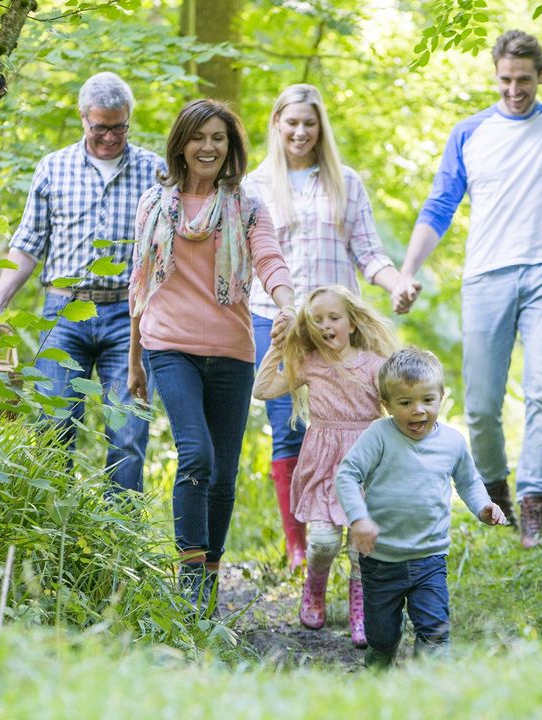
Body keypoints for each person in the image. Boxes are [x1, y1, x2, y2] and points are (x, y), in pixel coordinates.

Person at [391, 30, 542, 547]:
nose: (515, 90)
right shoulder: (470, 133)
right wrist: (408, 269)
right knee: (480, 403)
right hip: (487, 275)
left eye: (524, 79)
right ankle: (496, 495)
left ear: (537, 76)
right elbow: (439, 206)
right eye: (506, 80)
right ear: (494, 76)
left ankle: (535, 505)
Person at [126, 99, 296, 613]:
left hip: (231, 350)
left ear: (231, 147)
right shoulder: (154, 205)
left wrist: (288, 303)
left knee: (223, 471)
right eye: (199, 137)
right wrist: (135, 360)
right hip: (168, 344)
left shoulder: (246, 208)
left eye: (218, 138)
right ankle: (191, 576)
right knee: (195, 454)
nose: (208, 147)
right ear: (181, 144)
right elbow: (139, 283)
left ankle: (212, 572)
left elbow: (268, 258)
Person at [0, 72, 164, 494]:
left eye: (119, 127)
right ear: (83, 118)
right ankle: (53, 527)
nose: (111, 137)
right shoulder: (53, 168)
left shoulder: (155, 171)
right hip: (63, 313)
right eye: (101, 127)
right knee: (53, 422)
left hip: (129, 317)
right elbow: (26, 246)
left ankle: (118, 537)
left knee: (128, 430)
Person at [246, 84, 406, 573]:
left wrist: (395, 280)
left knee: (353, 425)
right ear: (277, 123)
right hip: (276, 318)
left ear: (320, 128)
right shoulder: (254, 186)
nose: (300, 131)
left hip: (338, 320)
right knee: (288, 429)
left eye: (309, 123)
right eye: (291, 122)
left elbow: (369, 250)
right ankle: (301, 545)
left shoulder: (346, 181)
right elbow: (243, 261)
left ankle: (357, 529)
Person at [335, 347, 507, 668]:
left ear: (441, 396)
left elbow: (468, 482)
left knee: (435, 630)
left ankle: (430, 682)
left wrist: (483, 507)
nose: (418, 411)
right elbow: (347, 474)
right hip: (381, 559)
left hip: (430, 557)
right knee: (382, 636)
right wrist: (358, 518)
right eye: (405, 403)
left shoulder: (452, 442)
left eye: (428, 400)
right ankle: (378, 670)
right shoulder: (379, 436)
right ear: (387, 405)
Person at [253, 285, 399, 648]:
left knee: (360, 549)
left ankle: (360, 612)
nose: (326, 325)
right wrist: (276, 345)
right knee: (321, 542)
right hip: (322, 464)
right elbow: (263, 389)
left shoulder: (374, 365)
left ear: (352, 323)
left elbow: (400, 403)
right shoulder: (310, 364)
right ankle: (315, 588)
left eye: (334, 317)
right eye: (317, 320)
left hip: (366, 463)